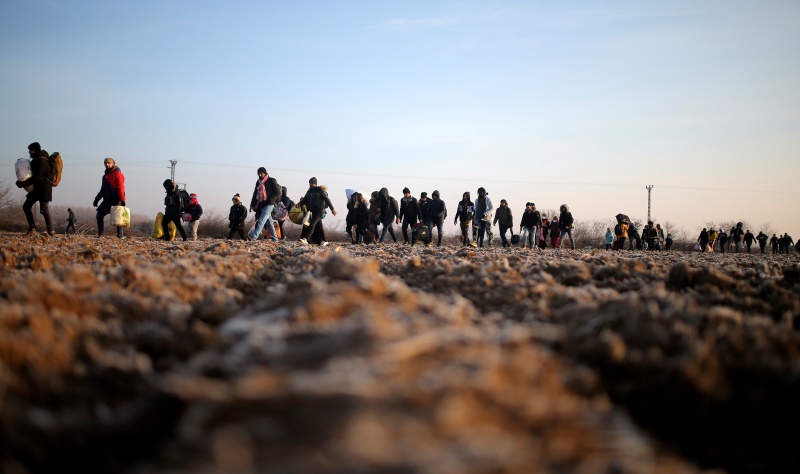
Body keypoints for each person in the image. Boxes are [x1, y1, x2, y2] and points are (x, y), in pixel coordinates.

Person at [16, 142, 54, 236]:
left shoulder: (42, 161)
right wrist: (21, 181)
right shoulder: (36, 159)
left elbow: (36, 177)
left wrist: (23, 184)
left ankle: (51, 231)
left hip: (44, 189)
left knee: (44, 210)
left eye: (30, 150)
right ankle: (32, 228)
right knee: (26, 206)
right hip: (36, 189)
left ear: (34, 150)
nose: (29, 152)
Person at [93, 157, 126, 238]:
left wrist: (122, 200)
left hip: (116, 199)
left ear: (113, 164)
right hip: (107, 200)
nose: (107, 164)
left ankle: (120, 236)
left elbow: (120, 187)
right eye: (105, 163)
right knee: (99, 215)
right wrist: (97, 199)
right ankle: (101, 234)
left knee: (118, 218)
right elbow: (102, 189)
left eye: (109, 163)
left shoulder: (117, 174)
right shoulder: (105, 176)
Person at [298, 177, 337, 246]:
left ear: (315, 183)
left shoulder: (320, 190)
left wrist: (332, 209)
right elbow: (305, 199)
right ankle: (325, 241)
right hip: (312, 211)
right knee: (319, 227)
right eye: (309, 183)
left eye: (311, 183)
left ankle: (306, 239)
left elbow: (327, 199)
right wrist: (299, 204)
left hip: (319, 211)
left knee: (312, 224)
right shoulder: (309, 191)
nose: (310, 184)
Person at [249, 167, 282, 241]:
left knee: (261, 220)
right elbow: (255, 193)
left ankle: (254, 236)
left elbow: (278, 193)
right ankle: (275, 239)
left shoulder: (272, 180)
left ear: (265, 173)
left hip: (269, 204)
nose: (260, 175)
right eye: (258, 174)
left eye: (261, 173)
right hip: (262, 204)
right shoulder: (258, 182)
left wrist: (271, 200)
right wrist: (252, 205)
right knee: (269, 223)